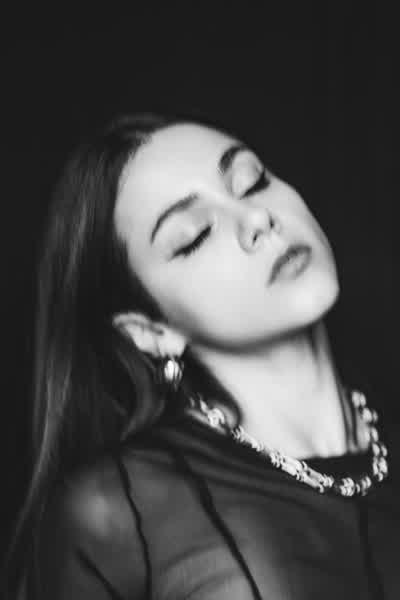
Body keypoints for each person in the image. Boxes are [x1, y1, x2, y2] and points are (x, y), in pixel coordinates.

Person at [4, 113, 399, 599]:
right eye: (194, 234)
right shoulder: (117, 514)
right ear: (151, 332)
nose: (257, 220)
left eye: (252, 183)